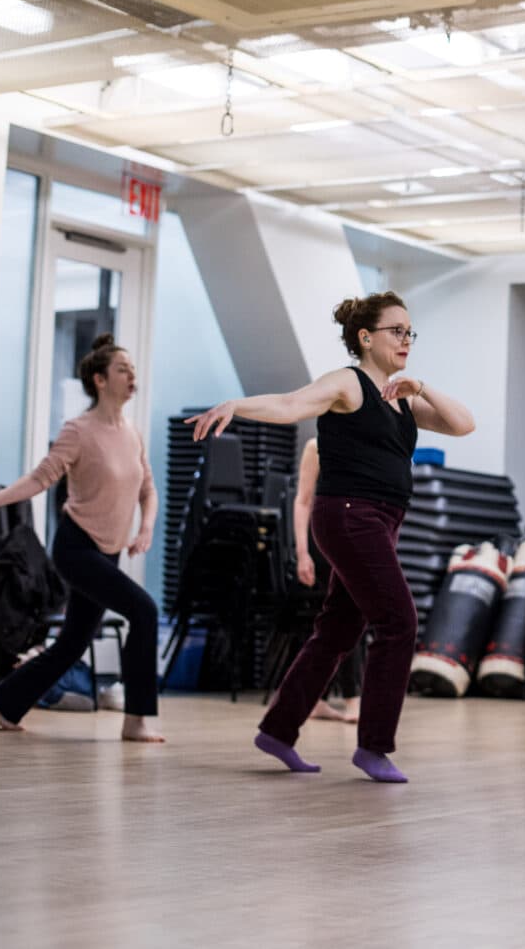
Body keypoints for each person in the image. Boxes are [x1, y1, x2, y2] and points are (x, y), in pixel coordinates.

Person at [188, 292, 474, 782]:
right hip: (348, 514)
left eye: (410, 332)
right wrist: (238, 405)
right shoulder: (348, 382)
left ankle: (278, 731)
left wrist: (420, 385)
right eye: (396, 331)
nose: (406, 340)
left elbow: (463, 424)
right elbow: (291, 404)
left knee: (340, 628)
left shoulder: (400, 396)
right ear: (366, 338)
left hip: (379, 519)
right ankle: (373, 747)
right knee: (398, 622)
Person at [0, 334, 165, 743]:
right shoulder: (78, 430)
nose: (132, 376)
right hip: (77, 547)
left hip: (109, 553)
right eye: (122, 369)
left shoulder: (133, 433)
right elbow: (41, 477)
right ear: (99, 379)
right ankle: (136, 719)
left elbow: (148, 489)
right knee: (144, 612)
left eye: (133, 370)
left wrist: (145, 528)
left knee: (73, 643)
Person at [291, 438, 361, 725]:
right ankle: (351, 699)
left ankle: (318, 698)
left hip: (355, 537)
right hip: (325, 542)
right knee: (344, 617)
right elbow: (303, 500)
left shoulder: (365, 442)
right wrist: (302, 552)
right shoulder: (316, 446)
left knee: (345, 619)